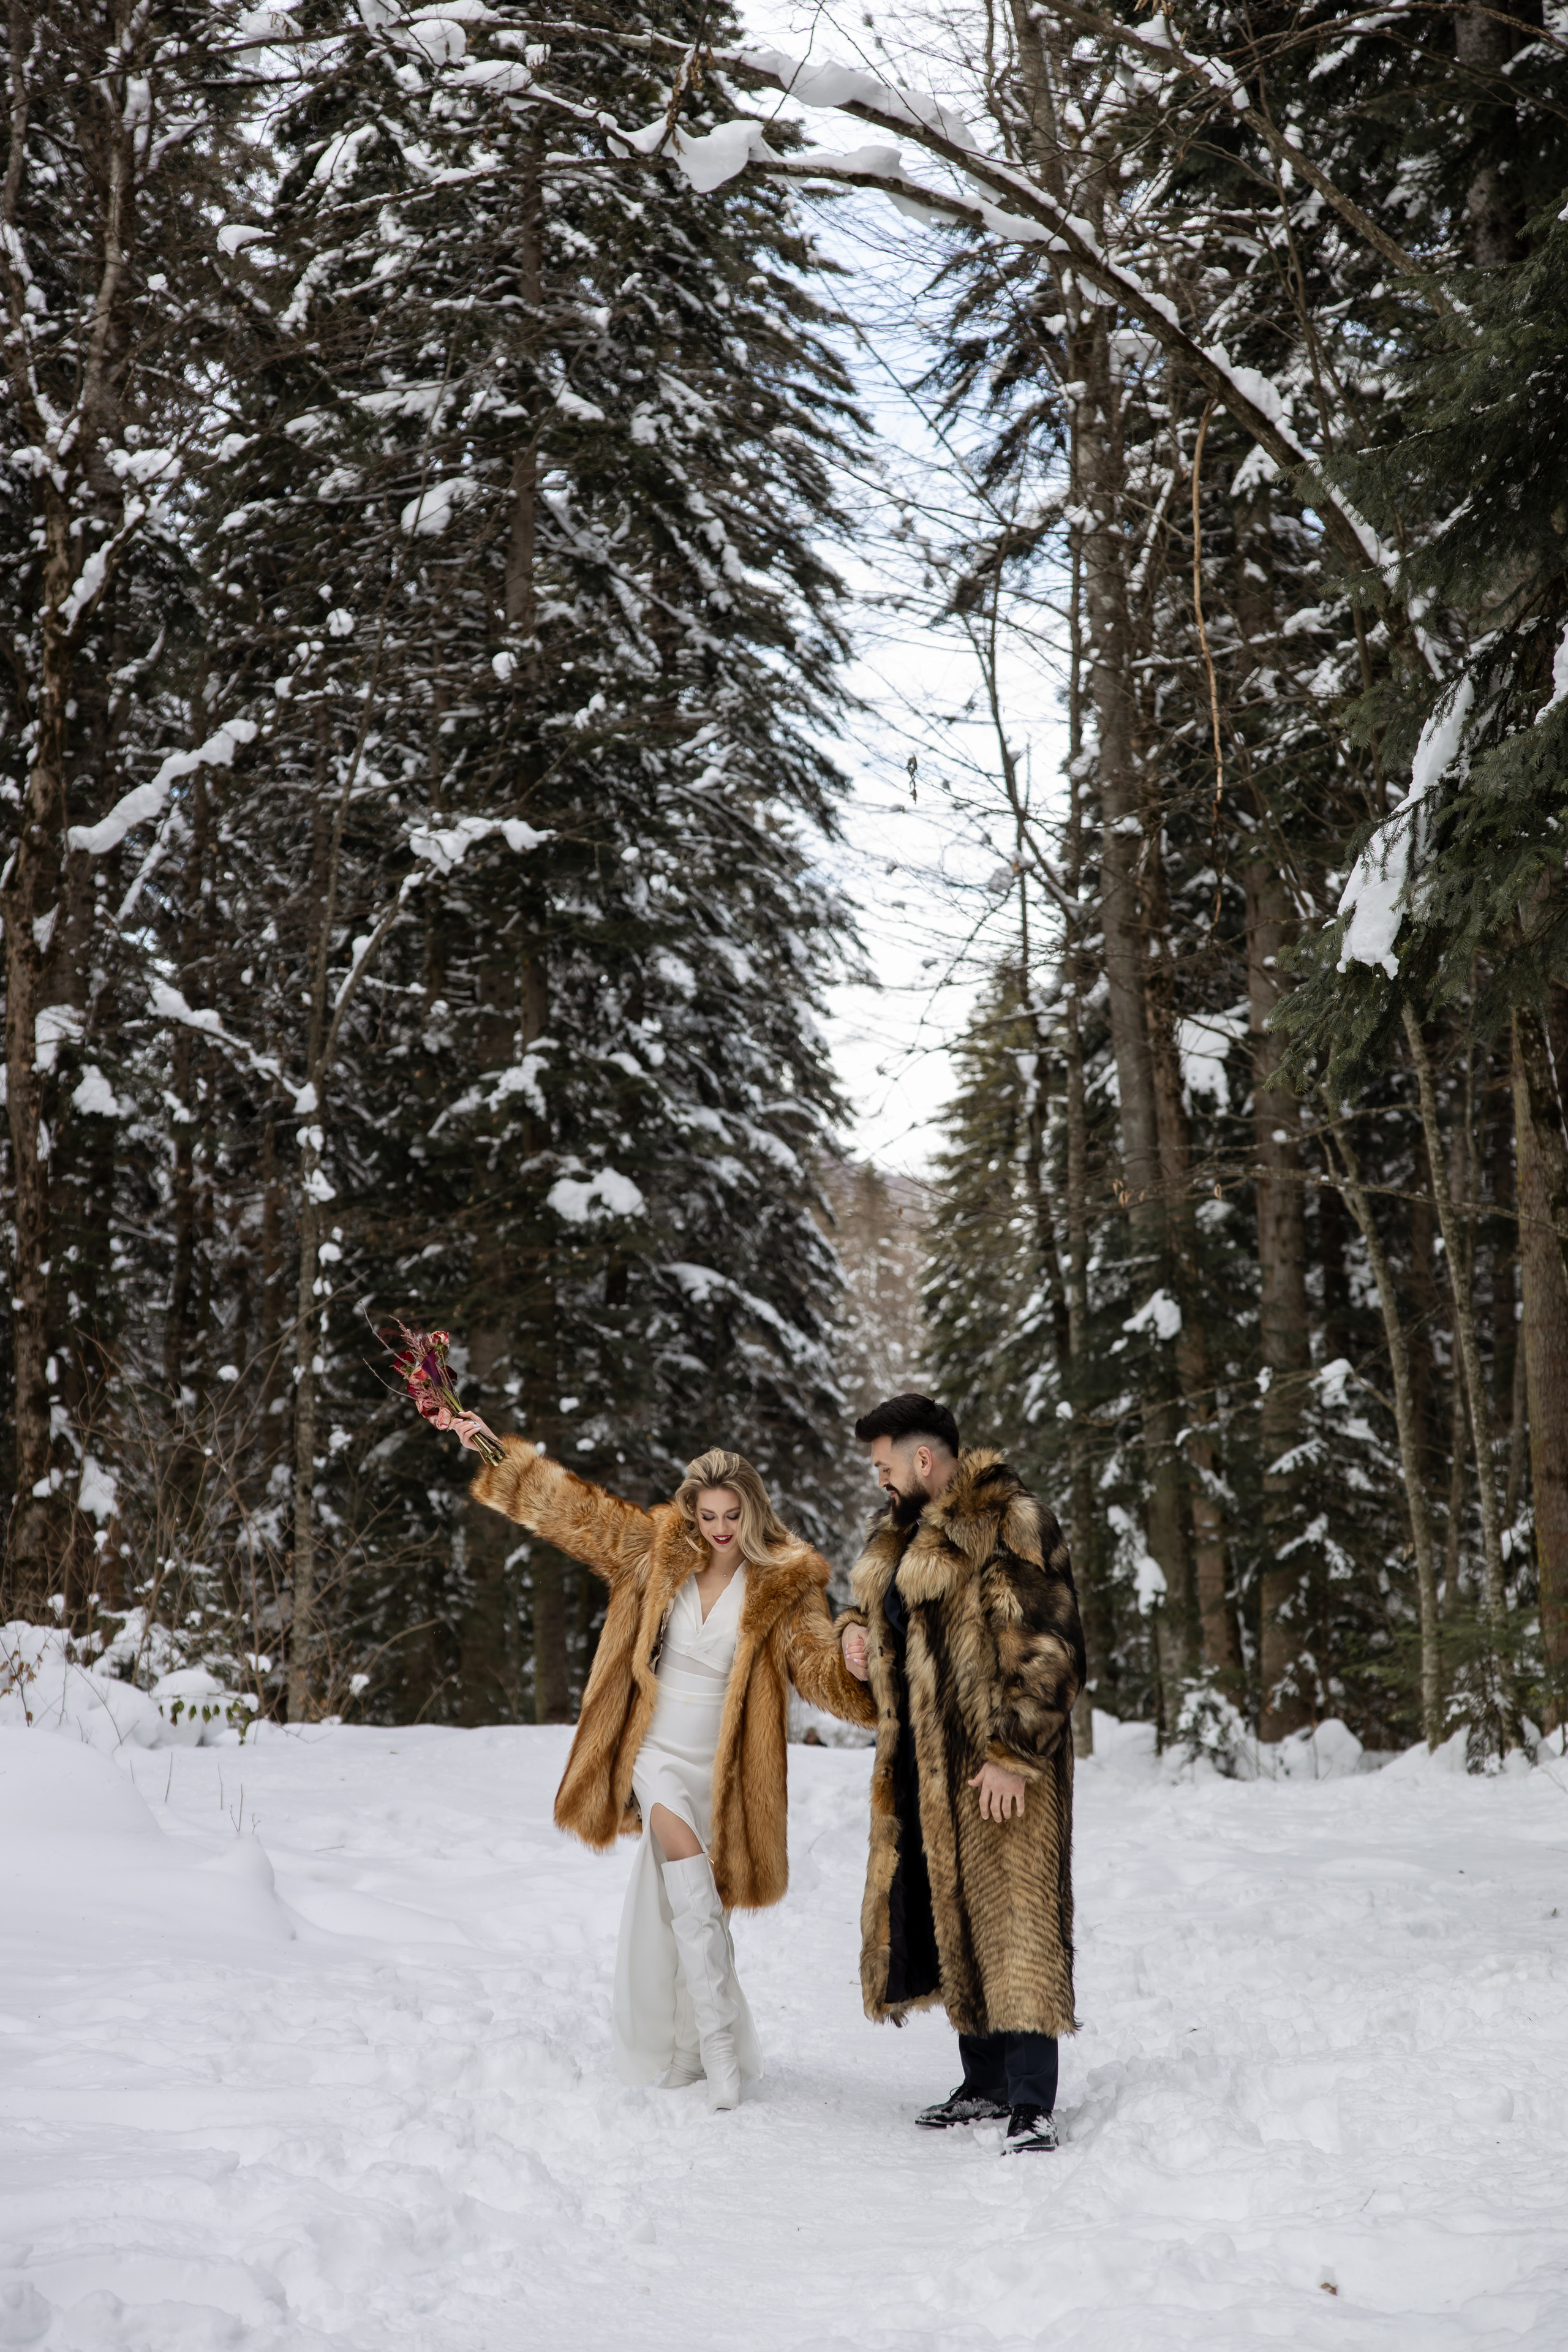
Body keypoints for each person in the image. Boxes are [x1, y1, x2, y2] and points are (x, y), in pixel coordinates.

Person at [455, 1420, 875, 2108]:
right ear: (690, 1511)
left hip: (727, 1765)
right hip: (656, 1750)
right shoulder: (654, 1548)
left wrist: (858, 1662)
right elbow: (572, 1514)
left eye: (732, 1515)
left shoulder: (785, 1581)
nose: (719, 1529)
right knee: (689, 1886)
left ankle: (687, 2050)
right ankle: (718, 2046)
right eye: (707, 1515)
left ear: (754, 1511)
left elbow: (817, 1667)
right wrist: (492, 1450)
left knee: (702, 1904)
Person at [839, 1392, 1085, 2155]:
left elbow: (1050, 1649)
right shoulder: (899, 1535)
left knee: (1016, 1924)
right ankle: (983, 2082)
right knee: (952, 1918)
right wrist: (853, 1635)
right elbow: (883, 1623)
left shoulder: (1008, 1520)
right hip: (927, 1769)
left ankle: (1031, 2102)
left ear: (923, 1459)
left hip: (1000, 1765)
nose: (880, 1480)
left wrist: (1014, 1755)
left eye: (884, 1466)